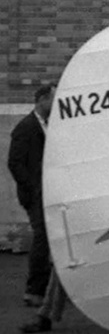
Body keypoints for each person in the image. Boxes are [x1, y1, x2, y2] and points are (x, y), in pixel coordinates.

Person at [8, 83, 53, 307]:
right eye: (54, 99)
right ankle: (34, 291)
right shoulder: (25, 127)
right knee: (42, 238)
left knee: (48, 239)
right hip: (35, 195)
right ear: (43, 99)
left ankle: (46, 289)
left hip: (47, 192)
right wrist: (34, 188)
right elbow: (14, 163)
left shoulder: (49, 124)